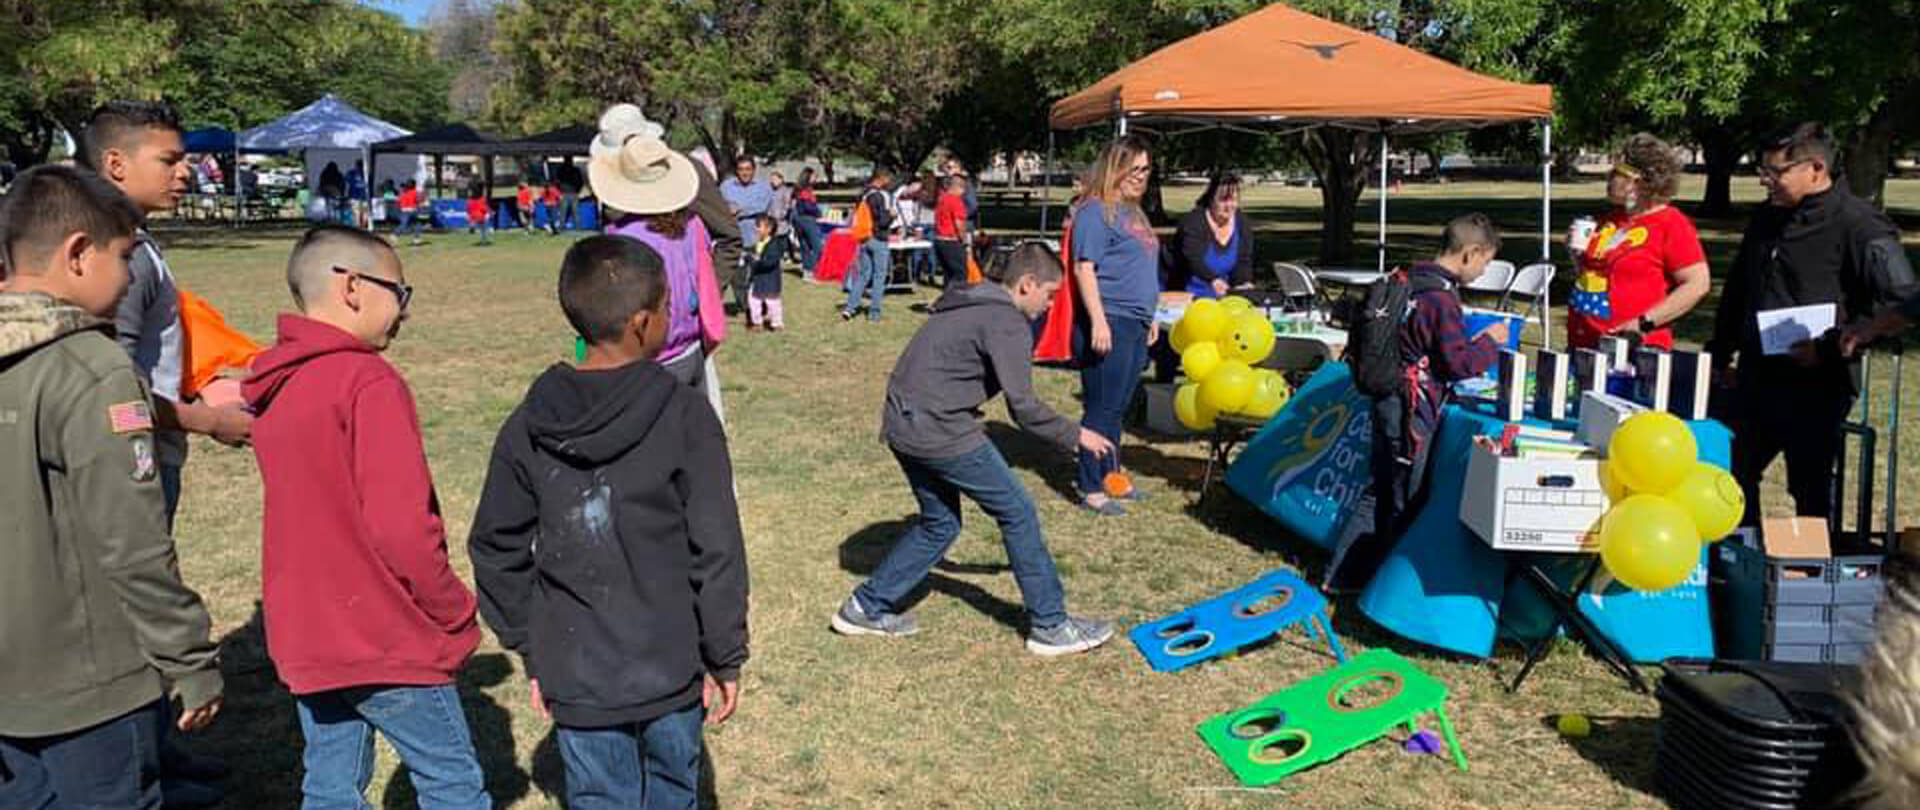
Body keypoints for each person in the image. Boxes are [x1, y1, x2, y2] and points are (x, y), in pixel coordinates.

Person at [469, 235, 749, 810]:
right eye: (670, 306)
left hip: (580, 669)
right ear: (644, 322)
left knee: (600, 797)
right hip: (666, 663)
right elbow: (717, 548)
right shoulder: (686, 414)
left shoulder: (525, 425)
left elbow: (494, 550)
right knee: (673, 791)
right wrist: (725, 654)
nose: (673, 317)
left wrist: (533, 645)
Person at [241, 225, 491, 810]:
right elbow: (402, 527)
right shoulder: (368, 381)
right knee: (452, 783)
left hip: (308, 632)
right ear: (353, 287)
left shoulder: (277, 384)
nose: (403, 312)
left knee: (329, 785)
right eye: (399, 293)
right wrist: (453, 608)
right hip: (384, 633)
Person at [0, 165, 224, 810]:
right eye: (124, 256)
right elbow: (131, 540)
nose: (129, 278)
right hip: (88, 680)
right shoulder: (91, 368)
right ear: (77, 254)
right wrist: (189, 659)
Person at [830, 243, 1118, 655]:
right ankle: (1051, 626)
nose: (1051, 305)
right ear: (1027, 284)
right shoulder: (1007, 323)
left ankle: (864, 607)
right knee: (1017, 512)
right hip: (938, 429)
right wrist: (1077, 435)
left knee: (940, 523)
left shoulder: (970, 299)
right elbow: (1024, 408)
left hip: (901, 422)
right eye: (1050, 295)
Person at [1707, 122, 1917, 527]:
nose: (1767, 181)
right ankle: (1742, 568)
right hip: (1754, 376)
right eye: (1763, 172)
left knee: (1810, 490)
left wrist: (1837, 342)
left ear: (1815, 168)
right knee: (1729, 474)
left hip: (1817, 384)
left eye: (1776, 173)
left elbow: (1903, 300)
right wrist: (1719, 352)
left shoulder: (1859, 223)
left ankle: (1813, 574)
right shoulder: (1767, 217)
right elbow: (1738, 288)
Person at [81, 100, 254, 528]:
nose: (185, 172)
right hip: (130, 466)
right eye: (169, 160)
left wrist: (202, 385)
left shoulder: (134, 241)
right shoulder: (120, 256)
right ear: (116, 164)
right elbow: (109, 388)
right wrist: (210, 422)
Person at [1327, 214, 1510, 592]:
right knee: (1403, 496)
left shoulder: (1410, 278)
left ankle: (1343, 575)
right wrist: (1490, 341)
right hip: (1410, 410)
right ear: (1469, 253)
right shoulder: (1440, 299)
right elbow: (1456, 363)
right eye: (1485, 263)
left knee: (1381, 487)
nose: (1482, 272)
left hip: (1387, 398)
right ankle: (1375, 580)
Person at [594, 127, 728, 400]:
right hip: (692, 347)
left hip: (652, 357)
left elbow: (610, 308)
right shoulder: (694, 224)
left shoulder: (622, 237)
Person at [1069, 136, 1160, 516]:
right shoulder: (1096, 211)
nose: (1141, 177)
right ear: (1115, 168)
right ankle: (1090, 485)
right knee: (1102, 406)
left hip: (1135, 322)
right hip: (1111, 320)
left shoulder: (1134, 213)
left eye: (1146, 169)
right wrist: (1098, 321)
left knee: (1117, 407)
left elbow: (1141, 268)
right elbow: (1083, 266)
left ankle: (1113, 475)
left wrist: (1150, 315)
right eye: (1134, 169)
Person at [1566, 133, 1710, 350]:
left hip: (1633, 350)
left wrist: (1642, 323)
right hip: (1585, 344)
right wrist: (1576, 255)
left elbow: (1697, 284)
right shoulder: (1611, 221)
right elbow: (1598, 278)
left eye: (1617, 171)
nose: (1609, 176)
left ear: (1639, 181)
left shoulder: (1670, 223)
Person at [1172, 173, 1254, 298]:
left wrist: (1243, 283)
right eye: (1223, 200)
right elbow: (1192, 259)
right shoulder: (1194, 222)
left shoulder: (1242, 223)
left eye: (1233, 200)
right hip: (1183, 293)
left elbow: (1243, 261)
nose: (1229, 206)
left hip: (1221, 296)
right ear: (1211, 199)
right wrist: (1213, 279)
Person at [841, 169, 895, 322]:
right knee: (879, 277)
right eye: (888, 178)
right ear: (881, 178)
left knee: (864, 275)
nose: (889, 182)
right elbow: (882, 221)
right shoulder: (878, 196)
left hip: (864, 238)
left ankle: (850, 308)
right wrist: (891, 215)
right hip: (878, 238)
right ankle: (874, 313)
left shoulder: (863, 195)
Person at [720, 156, 773, 312]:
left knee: (759, 273)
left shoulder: (764, 187)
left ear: (754, 170)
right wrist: (729, 209)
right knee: (737, 275)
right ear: (736, 170)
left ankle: (761, 303)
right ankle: (745, 305)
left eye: (748, 169)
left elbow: (761, 206)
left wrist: (739, 210)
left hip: (757, 238)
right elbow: (721, 205)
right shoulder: (726, 186)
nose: (745, 173)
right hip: (734, 237)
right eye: (741, 169)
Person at [746, 216, 786, 330]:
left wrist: (756, 262)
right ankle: (757, 322)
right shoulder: (758, 243)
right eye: (756, 226)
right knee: (753, 300)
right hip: (757, 280)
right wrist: (748, 257)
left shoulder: (774, 245)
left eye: (759, 227)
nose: (757, 229)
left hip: (770, 280)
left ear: (769, 229)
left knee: (772, 302)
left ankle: (777, 323)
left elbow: (770, 262)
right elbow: (754, 255)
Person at [933, 174, 972, 288]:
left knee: (948, 275)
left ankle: (948, 299)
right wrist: (965, 241)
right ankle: (958, 301)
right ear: (958, 187)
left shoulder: (941, 199)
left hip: (939, 240)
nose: (963, 193)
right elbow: (959, 224)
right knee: (960, 274)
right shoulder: (956, 201)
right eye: (963, 189)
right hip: (952, 241)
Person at [791, 167, 824, 276]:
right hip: (806, 219)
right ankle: (811, 268)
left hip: (798, 219)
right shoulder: (805, 190)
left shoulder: (799, 189)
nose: (816, 178)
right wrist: (818, 212)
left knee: (805, 245)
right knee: (817, 246)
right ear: (808, 176)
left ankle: (807, 270)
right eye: (814, 176)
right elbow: (806, 206)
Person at [767, 169, 794, 254]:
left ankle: (787, 253)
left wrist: (782, 214)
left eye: (775, 179)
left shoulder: (786, 191)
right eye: (772, 179)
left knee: (782, 238)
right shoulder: (770, 191)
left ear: (781, 179)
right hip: (771, 219)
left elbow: (788, 204)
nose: (772, 181)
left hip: (781, 220)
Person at [554, 160, 585, 232]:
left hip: (567, 193)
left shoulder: (561, 170)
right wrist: (578, 191)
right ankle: (578, 228)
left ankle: (562, 228)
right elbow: (580, 182)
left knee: (564, 212)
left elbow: (557, 182)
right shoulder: (575, 170)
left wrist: (560, 191)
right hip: (572, 193)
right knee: (574, 212)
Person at [397, 179, 426, 246]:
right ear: (414, 185)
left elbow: (399, 201)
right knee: (417, 224)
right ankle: (416, 239)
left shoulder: (403, 192)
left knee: (406, 224)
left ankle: (396, 234)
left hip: (404, 210)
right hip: (412, 210)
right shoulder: (414, 192)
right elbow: (418, 200)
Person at [466, 178, 492, 246]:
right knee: (482, 223)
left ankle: (472, 225)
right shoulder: (481, 183)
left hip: (472, 201)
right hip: (479, 200)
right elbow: (485, 187)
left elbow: (469, 193)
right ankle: (484, 240)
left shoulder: (470, 183)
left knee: (472, 216)